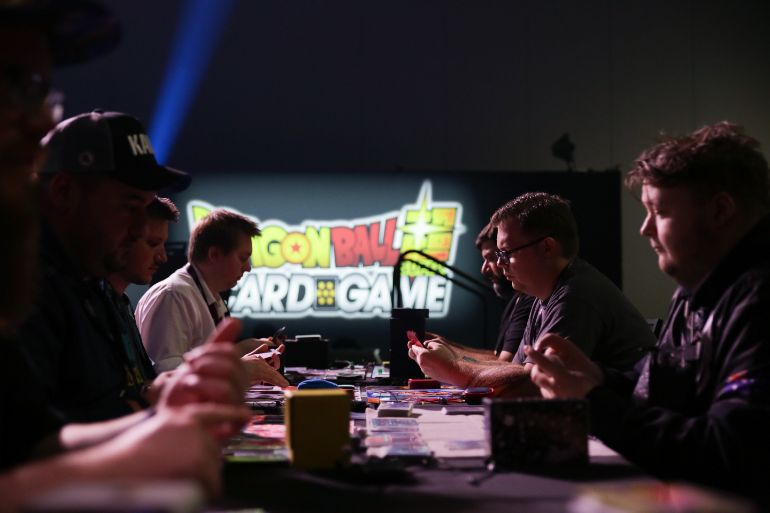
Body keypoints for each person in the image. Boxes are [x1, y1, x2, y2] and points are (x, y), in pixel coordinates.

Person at [0, 1, 250, 509]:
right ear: (64, 193)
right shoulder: (37, 283)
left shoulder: (59, 279)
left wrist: (160, 416)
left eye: (44, 92)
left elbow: (34, 441)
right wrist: (139, 443)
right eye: (14, 85)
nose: (38, 123)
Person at [526, 123, 770, 504]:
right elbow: (662, 385)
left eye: (659, 211)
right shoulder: (696, 289)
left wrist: (593, 402)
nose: (644, 229)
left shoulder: (759, 299)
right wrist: (596, 379)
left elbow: (730, 453)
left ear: (721, 210)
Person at [408, 192, 655, 395]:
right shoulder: (544, 296)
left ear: (547, 247)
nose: (500, 263)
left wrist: (452, 368)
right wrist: (450, 362)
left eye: (506, 253)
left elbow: (531, 386)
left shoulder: (576, 297)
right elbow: (516, 370)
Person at [136, 208, 289, 386]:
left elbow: (200, 363)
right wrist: (236, 370)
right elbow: (164, 378)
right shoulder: (174, 295)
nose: (248, 267)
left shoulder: (205, 294)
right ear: (214, 254)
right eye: (242, 258)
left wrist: (241, 357)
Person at [418, 222, 535, 364]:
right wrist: (448, 346)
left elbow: (504, 363)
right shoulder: (516, 300)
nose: (484, 269)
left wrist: (450, 355)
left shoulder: (530, 300)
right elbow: (497, 356)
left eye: (492, 257)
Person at [103, 197, 181, 407]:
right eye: (153, 244)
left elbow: (140, 386)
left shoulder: (121, 303)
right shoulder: (91, 304)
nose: (163, 257)